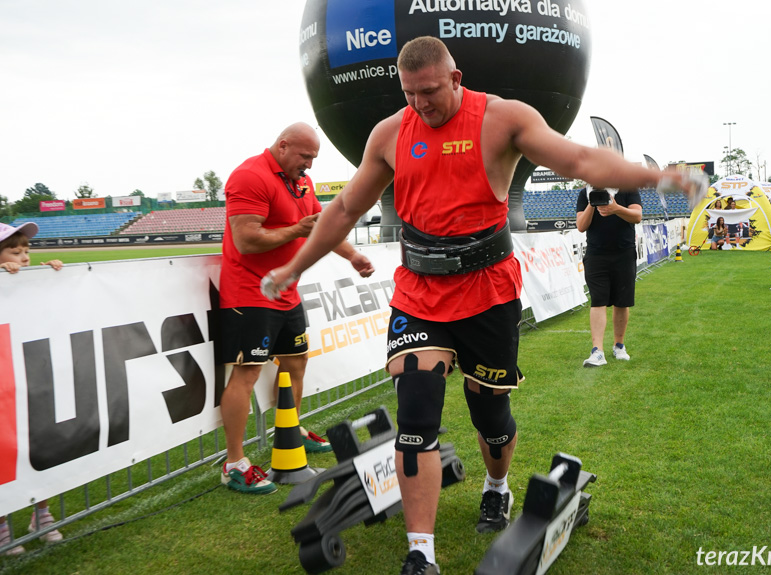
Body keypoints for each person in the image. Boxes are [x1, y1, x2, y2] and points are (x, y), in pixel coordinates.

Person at [261, 37, 698, 574]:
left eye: (428, 92)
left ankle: (497, 483)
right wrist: (293, 267)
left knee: (489, 413)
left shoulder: (501, 119)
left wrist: (657, 178)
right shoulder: (391, 134)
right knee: (416, 414)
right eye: (409, 94)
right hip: (419, 291)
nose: (420, 104)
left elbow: (581, 159)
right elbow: (347, 207)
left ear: (456, 78)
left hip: (488, 290)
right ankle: (421, 553)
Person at [218, 123, 375, 495]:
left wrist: (353, 256)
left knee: (296, 362)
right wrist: (294, 230)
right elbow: (245, 240)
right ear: (283, 146)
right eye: (305, 157)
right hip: (250, 293)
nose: (309, 166)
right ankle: (234, 462)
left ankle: (291, 430)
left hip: (286, 292)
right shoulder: (249, 176)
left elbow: (320, 226)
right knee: (247, 373)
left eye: (313, 159)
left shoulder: (300, 181)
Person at [0, 222, 64, 554]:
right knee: (5, 452)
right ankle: (2, 524)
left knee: (40, 445)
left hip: (33, 377)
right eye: (15, 251)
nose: (24, 257)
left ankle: (41, 514)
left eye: (27, 251)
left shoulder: (27, 280)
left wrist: (51, 276)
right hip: (4, 385)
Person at [576, 187, 641, 367]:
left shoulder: (628, 188)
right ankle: (597, 351)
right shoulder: (585, 193)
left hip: (624, 252)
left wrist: (615, 208)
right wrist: (592, 203)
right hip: (596, 254)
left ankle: (619, 345)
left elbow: (637, 216)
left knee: (622, 301)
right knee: (598, 300)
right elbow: (581, 226)